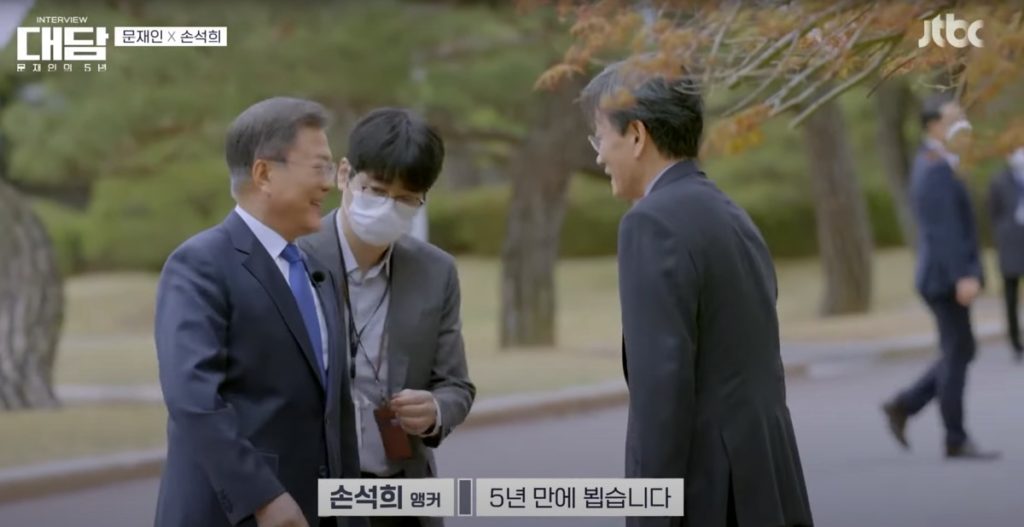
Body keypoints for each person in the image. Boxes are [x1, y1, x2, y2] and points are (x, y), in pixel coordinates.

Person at [579, 60, 813, 527]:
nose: (600, 155)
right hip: (767, 483)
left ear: (637, 135)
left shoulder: (650, 224)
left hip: (709, 494)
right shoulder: (731, 215)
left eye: (600, 137)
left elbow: (661, 395)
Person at [154, 97, 363, 527]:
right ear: (264, 173)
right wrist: (264, 498)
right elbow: (194, 400)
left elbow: (333, 414)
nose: (329, 184)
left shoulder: (318, 272)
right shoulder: (200, 264)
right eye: (319, 167)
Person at [298, 107, 475, 527]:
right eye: (376, 191)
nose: (387, 208)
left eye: (406, 199)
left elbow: (456, 385)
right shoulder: (295, 259)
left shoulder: (435, 271)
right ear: (345, 175)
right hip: (315, 496)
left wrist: (435, 410)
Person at [882, 94, 1000, 460]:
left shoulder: (941, 162)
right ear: (933, 126)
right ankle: (954, 437)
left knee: (960, 349)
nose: (963, 126)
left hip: (943, 275)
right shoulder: (934, 167)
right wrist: (962, 275)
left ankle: (905, 405)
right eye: (954, 120)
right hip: (944, 278)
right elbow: (943, 231)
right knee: (957, 351)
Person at [987, 146, 1024, 361]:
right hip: (1010, 246)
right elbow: (993, 214)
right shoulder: (999, 181)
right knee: (1011, 296)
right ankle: (1015, 341)